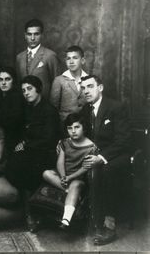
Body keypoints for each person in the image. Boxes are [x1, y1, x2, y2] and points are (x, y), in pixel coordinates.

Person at [80, 75, 131, 246]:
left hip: (117, 155)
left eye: (90, 86)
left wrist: (101, 158)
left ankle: (109, 225)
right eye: (83, 88)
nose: (86, 91)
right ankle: (89, 219)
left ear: (100, 88)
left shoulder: (116, 107)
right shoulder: (85, 110)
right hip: (95, 154)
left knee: (106, 170)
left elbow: (123, 141)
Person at [5, 75, 59, 232]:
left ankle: (31, 214)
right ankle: (30, 212)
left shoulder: (49, 110)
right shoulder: (27, 109)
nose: (26, 93)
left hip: (46, 152)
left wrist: (26, 145)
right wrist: (22, 143)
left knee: (24, 168)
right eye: (23, 90)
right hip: (30, 151)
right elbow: (23, 132)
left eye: (29, 89)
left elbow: (50, 138)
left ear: (39, 90)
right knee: (12, 167)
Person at [43, 113, 98, 229]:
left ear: (84, 128)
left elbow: (85, 168)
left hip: (77, 177)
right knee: (46, 173)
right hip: (63, 176)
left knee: (76, 184)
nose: (73, 131)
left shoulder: (91, 147)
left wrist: (70, 177)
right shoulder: (65, 142)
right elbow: (60, 162)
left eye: (77, 127)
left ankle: (66, 218)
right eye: (70, 128)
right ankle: (69, 191)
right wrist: (63, 176)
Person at [15, 19, 60, 98]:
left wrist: (52, 107)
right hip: (24, 105)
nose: (32, 38)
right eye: (29, 34)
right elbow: (18, 83)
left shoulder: (50, 55)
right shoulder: (19, 57)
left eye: (36, 34)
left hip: (44, 105)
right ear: (25, 35)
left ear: (42, 35)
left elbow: (57, 85)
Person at [50, 45, 88, 124]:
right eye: (68, 58)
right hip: (65, 124)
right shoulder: (59, 80)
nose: (71, 62)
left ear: (83, 60)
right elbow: (53, 108)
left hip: (84, 124)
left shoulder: (88, 79)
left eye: (75, 58)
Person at [0, 67, 25, 153]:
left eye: (7, 79)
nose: (3, 83)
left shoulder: (17, 98)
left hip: (15, 140)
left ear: (13, 80)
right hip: (0, 139)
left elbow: (15, 123)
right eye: (0, 80)